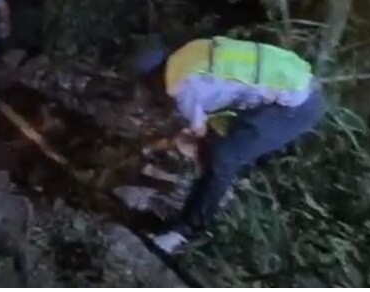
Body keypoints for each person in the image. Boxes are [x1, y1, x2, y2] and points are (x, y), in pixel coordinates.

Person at [131, 36, 326, 254]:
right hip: (297, 87)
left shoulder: (182, 87)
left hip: (296, 107)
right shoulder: (189, 53)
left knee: (224, 157)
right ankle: (186, 216)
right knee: (218, 149)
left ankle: (186, 232)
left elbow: (198, 130)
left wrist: (180, 140)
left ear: (153, 78)